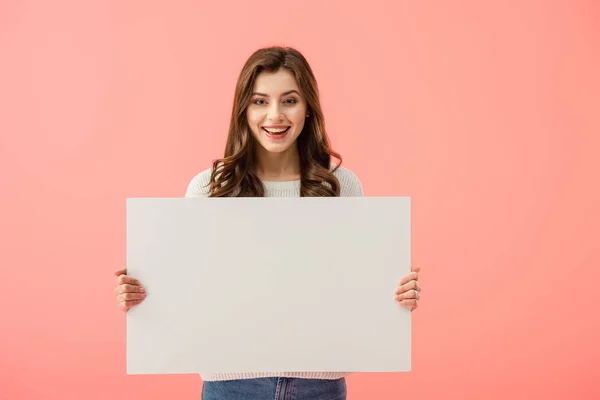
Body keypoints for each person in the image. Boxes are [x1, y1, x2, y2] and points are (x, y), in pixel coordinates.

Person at [114, 46, 422, 400]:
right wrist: (143, 295)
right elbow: (188, 286)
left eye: (289, 100)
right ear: (243, 110)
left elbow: (357, 286)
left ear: (308, 109)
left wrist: (395, 295)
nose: (274, 116)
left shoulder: (341, 185)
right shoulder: (210, 187)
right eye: (260, 101)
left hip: (319, 386)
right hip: (230, 386)